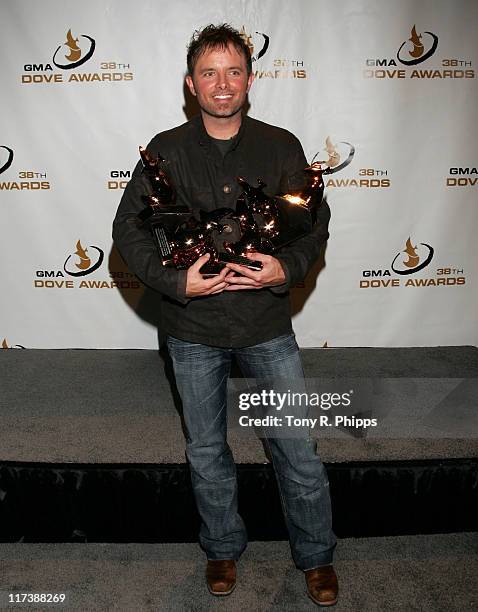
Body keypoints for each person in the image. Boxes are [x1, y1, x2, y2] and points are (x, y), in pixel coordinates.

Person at [113, 23, 338, 607]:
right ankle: (220, 548)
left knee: (296, 447)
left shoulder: (282, 145)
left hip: (266, 325)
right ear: (191, 84)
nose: (221, 83)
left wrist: (283, 269)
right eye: (208, 72)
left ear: (250, 79)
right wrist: (173, 281)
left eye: (232, 71)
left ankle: (316, 556)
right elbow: (127, 230)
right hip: (192, 332)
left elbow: (314, 223)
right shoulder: (164, 150)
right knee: (207, 450)